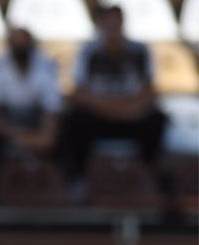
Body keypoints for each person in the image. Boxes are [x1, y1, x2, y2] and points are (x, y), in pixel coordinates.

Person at [57, 4, 167, 180]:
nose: (112, 30)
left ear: (123, 24)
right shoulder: (88, 51)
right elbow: (78, 92)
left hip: (132, 117)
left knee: (157, 119)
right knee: (73, 120)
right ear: (101, 26)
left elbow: (150, 91)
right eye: (108, 25)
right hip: (100, 116)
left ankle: (149, 177)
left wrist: (129, 109)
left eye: (115, 24)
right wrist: (115, 109)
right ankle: (77, 179)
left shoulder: (140, 50)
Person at [0, 28, 63, 194]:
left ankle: (61, 191)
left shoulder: (46, 66)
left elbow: (52, 112)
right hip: (6, 125)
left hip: (34, 121)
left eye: (24, 43)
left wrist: (44, 138)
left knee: (65, 136)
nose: (20, 47)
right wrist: (18, 136)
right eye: (16, 43)